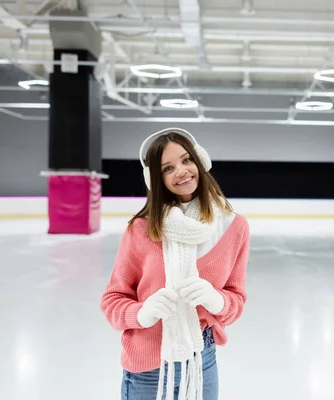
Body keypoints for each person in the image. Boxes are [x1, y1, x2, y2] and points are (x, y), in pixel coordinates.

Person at [100, 127, 250, 400]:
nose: (181, 171)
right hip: (148, 365)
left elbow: (236, 299)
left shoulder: (232, 227)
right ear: (156, 179)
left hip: (201, 360)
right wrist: (142, 312)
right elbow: (112, 301)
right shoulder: (141, 229)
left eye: (186, 160)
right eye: (167, 168)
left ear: (200, 161)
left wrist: (217, 301)